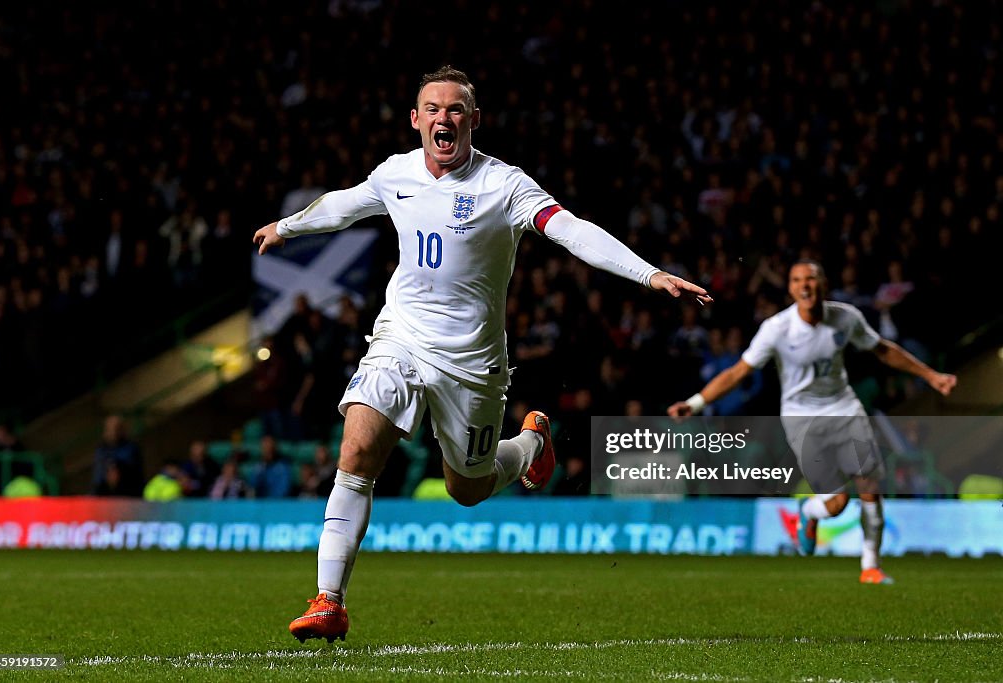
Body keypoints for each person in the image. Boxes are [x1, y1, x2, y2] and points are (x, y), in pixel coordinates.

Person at [254, 66, 711, 643]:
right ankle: (329, 599)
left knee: (467, 488)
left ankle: (529, 445)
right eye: (433, 108)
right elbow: (344, 205)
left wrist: (647, 273)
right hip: (402, 339)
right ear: (417, 119)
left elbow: (572, 230)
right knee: (359, 447)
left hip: (473, 363)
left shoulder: (505, 185)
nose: (444, 117)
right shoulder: (396, 173)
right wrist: (289, 228)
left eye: (456, 109)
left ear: (473, 119)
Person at [668, 260, 956, 584]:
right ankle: (808, 512)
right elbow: (738, 372)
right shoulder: (777, 329)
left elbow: (882, 350)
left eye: (811, 279)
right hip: (801, 419)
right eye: (797, 280)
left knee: (870, 487)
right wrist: (695, 403)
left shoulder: (846, 317)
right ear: (790, 288)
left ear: (823, 284)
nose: (805, 285)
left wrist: (931, 375)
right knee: (838, 502)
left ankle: (870, 567)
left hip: (845, 409)